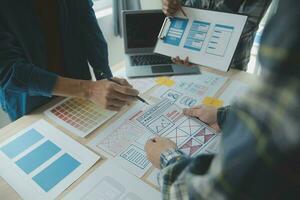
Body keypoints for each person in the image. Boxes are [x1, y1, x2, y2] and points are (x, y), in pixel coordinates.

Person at [145, 0, 300, 199]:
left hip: (229, 62)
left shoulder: (291, 32)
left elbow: (206, 195)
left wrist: (167, 158)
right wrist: (225, 115)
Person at [0, 0, 138, 121]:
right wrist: (90, 90)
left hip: (78, 86)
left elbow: (88, 25)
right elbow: (8, 70)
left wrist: (105, 76)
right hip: (29, 100)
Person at [162, 0, 272, 70]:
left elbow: (246, 25)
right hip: (188, 54)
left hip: (230, 66)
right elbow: (185, 5)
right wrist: (171, 5)